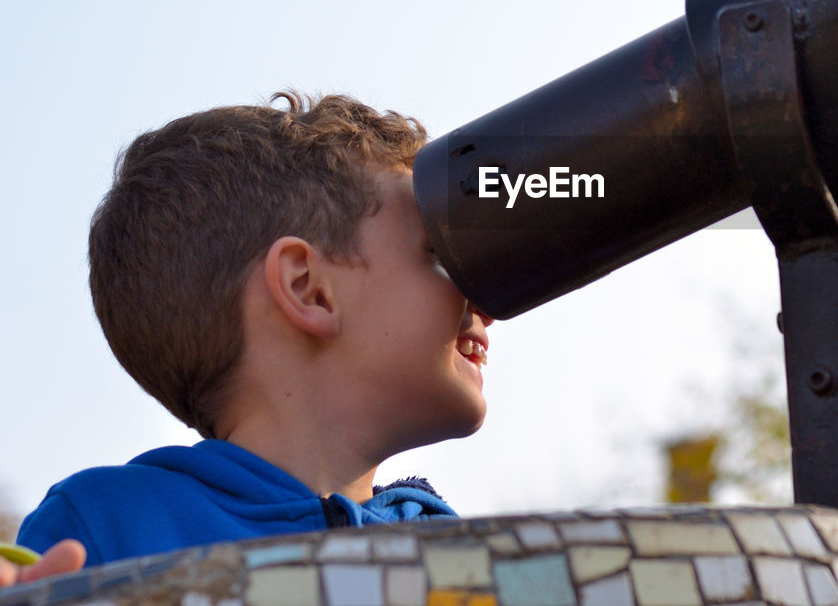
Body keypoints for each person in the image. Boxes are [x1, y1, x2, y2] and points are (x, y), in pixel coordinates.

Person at [3, 92, 492, 580]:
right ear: (308, 288)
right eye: (436, 251)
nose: (486, 305)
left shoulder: (465, 553)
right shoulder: (103, 533)